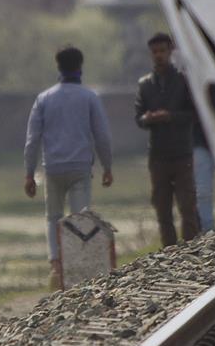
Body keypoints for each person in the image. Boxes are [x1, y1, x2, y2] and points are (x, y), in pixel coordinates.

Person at [23, 45, 113, 290]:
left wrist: (29, 174)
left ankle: (56, 266)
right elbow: (102, 135)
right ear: (80, 67)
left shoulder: (44, 98)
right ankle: (79, 269)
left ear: (58, 67)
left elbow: (32, 140)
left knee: (53, 217)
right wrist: (107, 166)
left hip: (52, 168)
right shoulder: (89, 97)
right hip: (80, 167)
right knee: (80, 218)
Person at [135, 32, 200, 247]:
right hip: (158, 155)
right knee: (162, 209)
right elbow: (138, 118)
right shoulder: (145, 84)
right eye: (155, 52)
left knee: (187, 206)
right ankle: (170, 251)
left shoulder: (183, 81)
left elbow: (193, 114)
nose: (159, 56)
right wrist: (148, 118)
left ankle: (191, 249)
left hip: (182, 153)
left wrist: (170, 116)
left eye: (162, 51)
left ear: (170, 51)